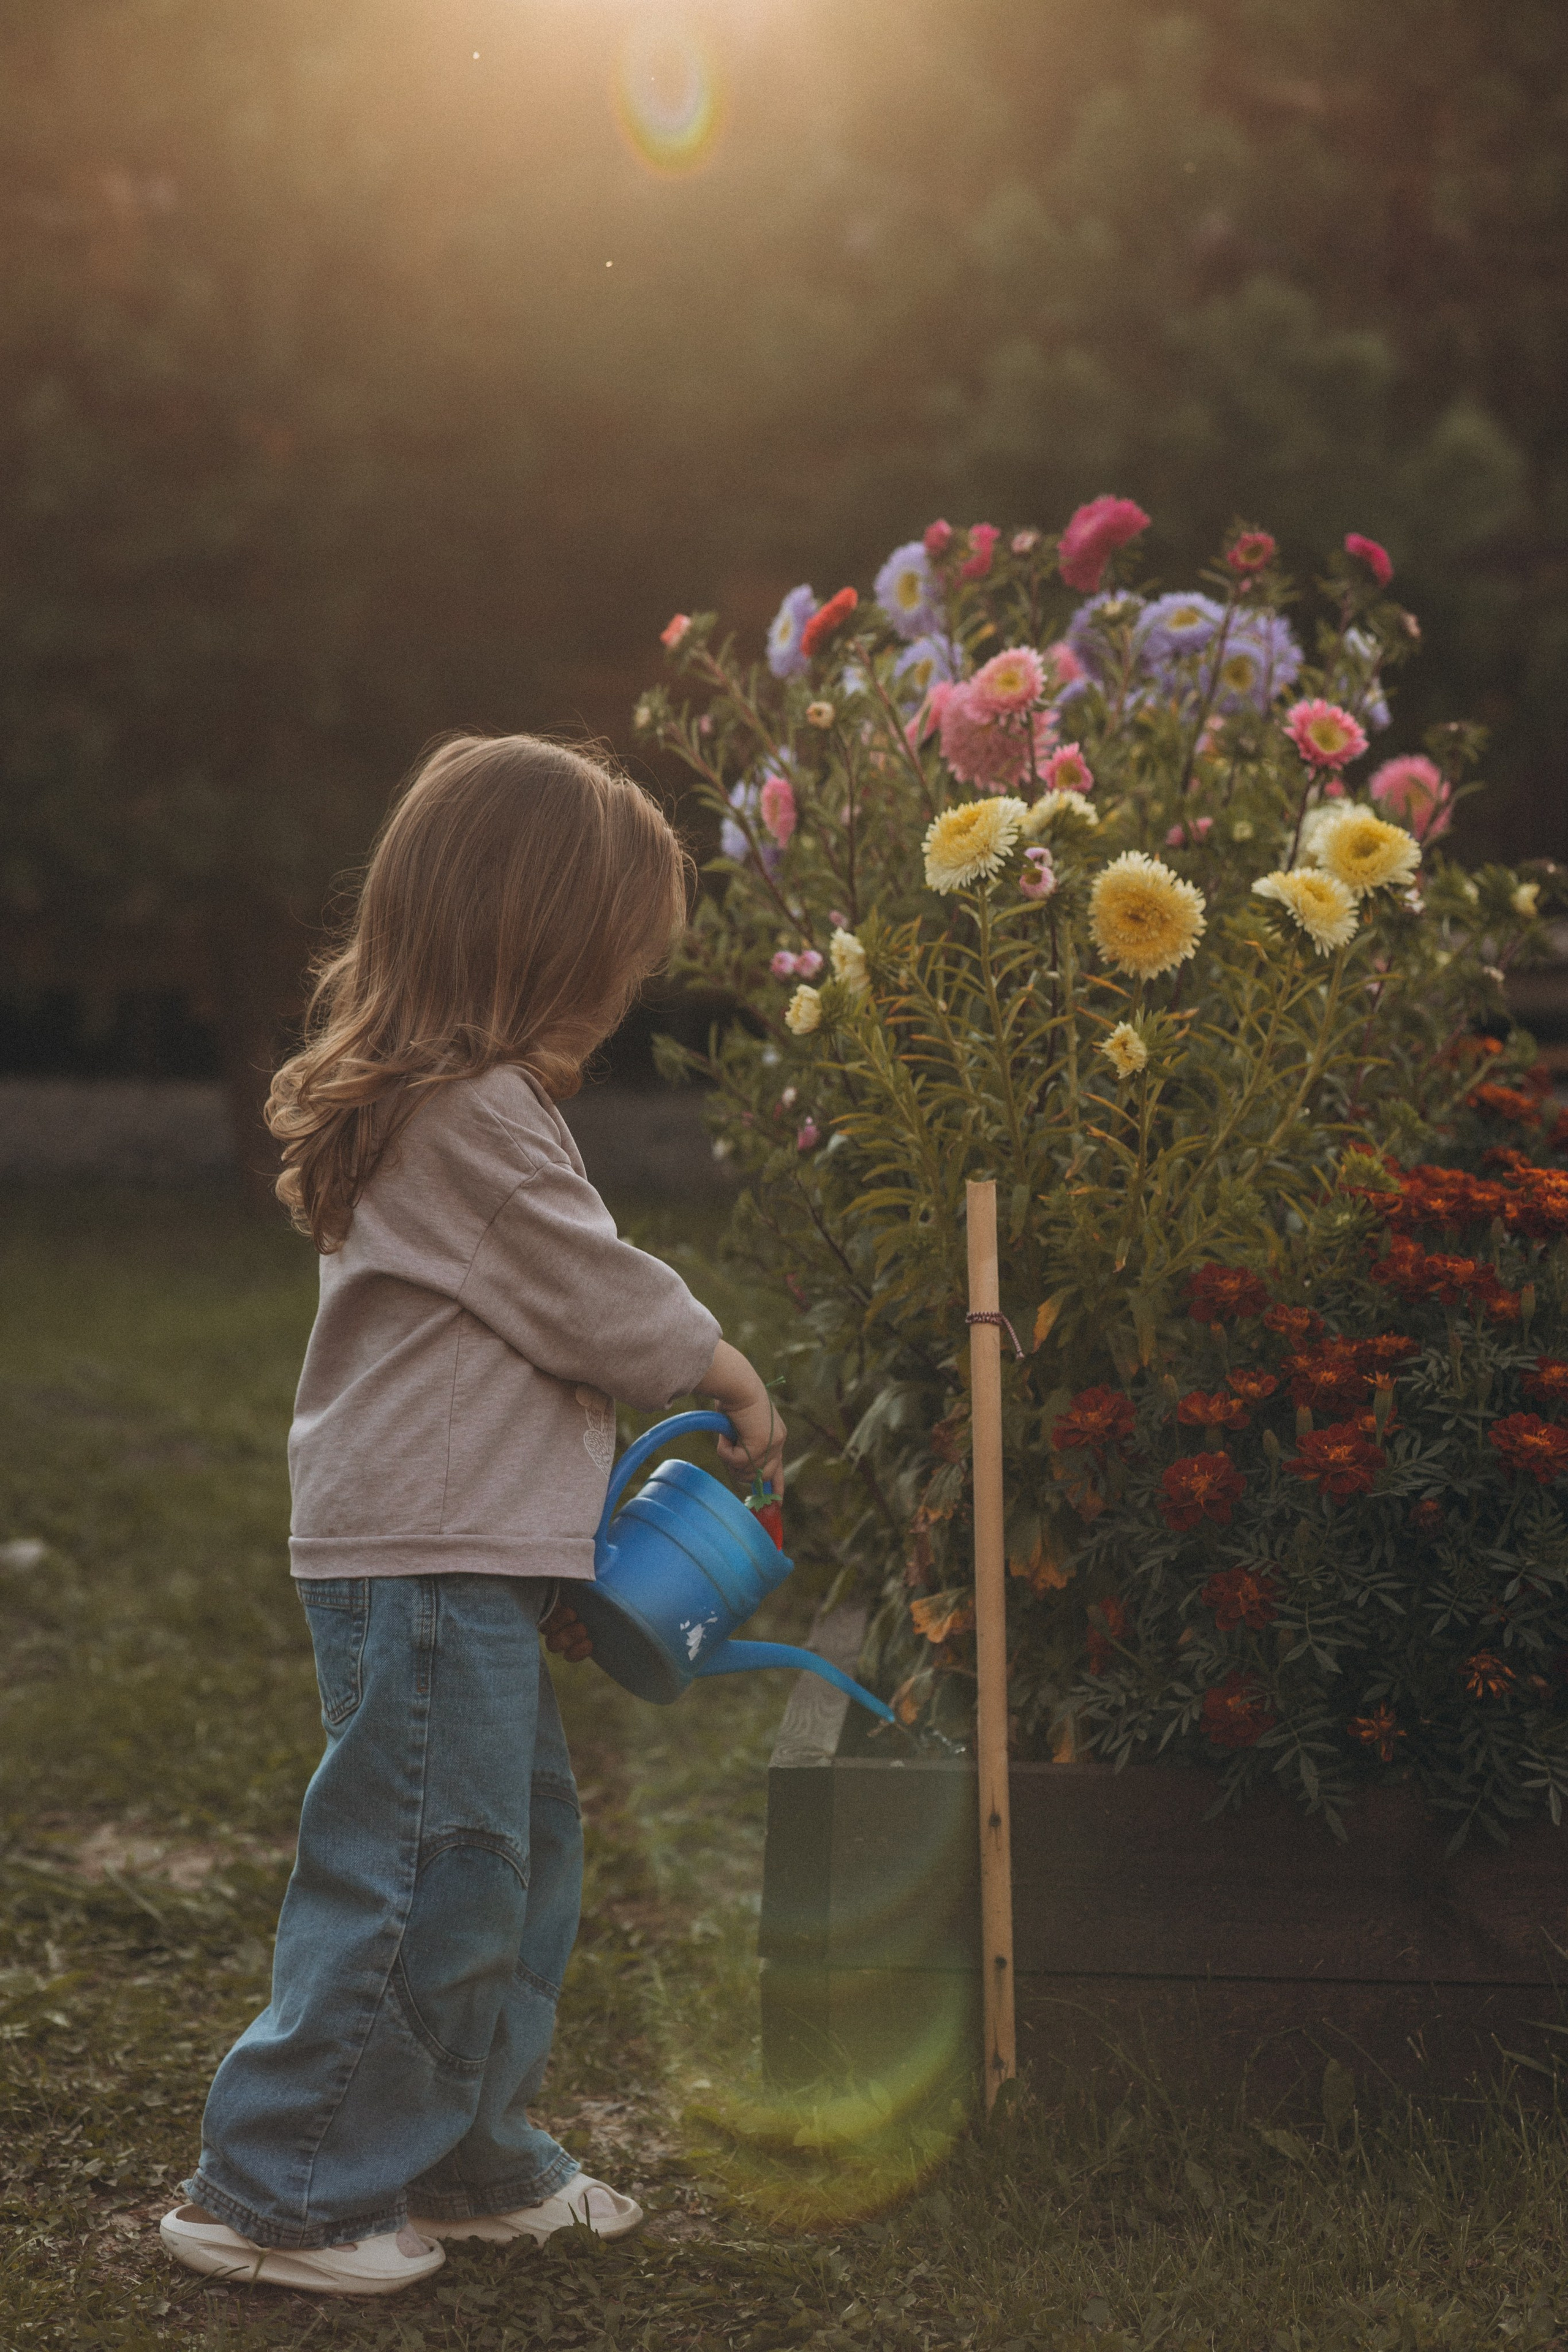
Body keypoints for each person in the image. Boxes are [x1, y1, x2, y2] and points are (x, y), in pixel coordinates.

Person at [159, 735, 784, 2296]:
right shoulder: (472, 1113)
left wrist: (555, 1548)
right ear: (547, 946)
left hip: (464, 1554)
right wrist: (714, 1361)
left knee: (511, 1864)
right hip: (427, 1564)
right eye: (623, 961)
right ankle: (281, 2189)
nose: (630, 992)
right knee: (422, 1870)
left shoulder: (454, 1105)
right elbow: (585, 1293)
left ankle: (463, 2153)